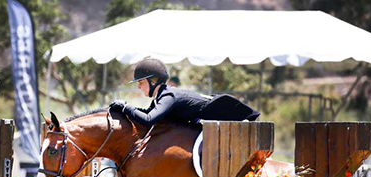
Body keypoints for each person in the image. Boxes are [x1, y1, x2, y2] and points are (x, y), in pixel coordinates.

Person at [109, 58, 260, 127]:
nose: (139, 87)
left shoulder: (169, 96)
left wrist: (126, 107)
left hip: (230, 121)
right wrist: (125, 110)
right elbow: (147, 112)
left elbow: (148, 119)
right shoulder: (162, 96)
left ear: (153, 81)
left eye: (140, 83)